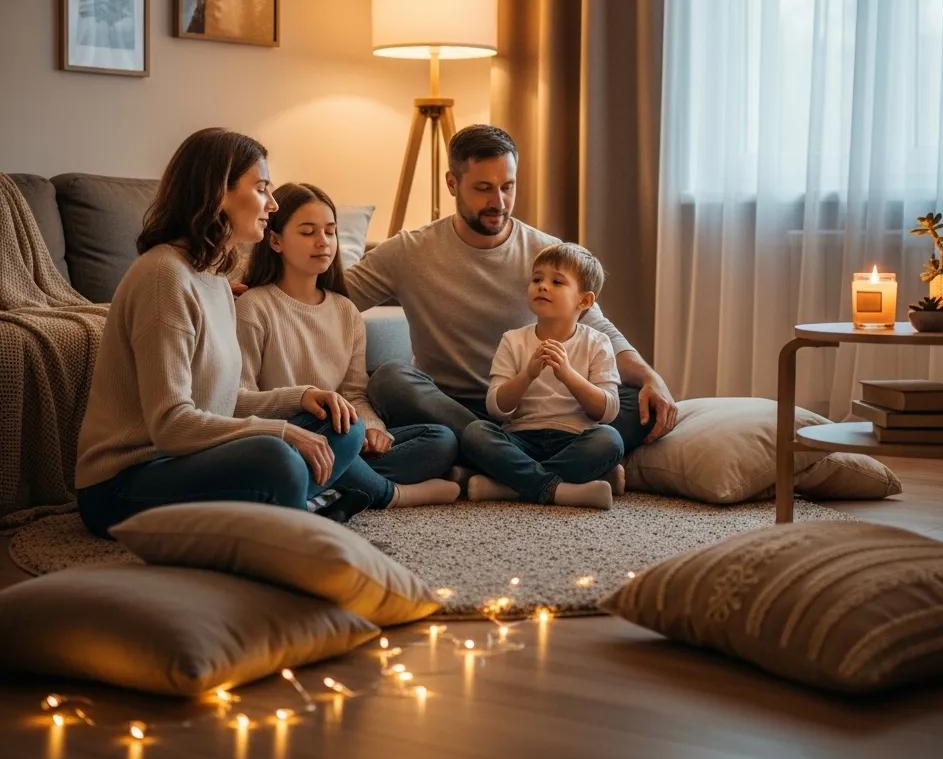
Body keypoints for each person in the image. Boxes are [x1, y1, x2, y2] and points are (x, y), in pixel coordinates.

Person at [76, 128, 368, 539]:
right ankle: (293, 507)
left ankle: (283, 507)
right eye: (262, 189)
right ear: (217, 193)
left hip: (188, 460)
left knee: (343, 424)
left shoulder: (214, 278)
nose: (273, 204)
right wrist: (281, 430)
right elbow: (171, 425)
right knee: (277, 458)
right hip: (125, 483)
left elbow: (221, 402)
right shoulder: (164, 276)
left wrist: (301, 397)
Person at [345, 124, 680, 455]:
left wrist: (649, 376)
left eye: (508, 187)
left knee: (639, 407)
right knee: (389, 380)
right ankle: (516, 453)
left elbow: (599, 327)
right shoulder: (408, 251)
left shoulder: (547, 253)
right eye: (483, 188)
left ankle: (493, 453)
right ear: (452, 183)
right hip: (450, 404)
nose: (499, 202)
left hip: (535, 406)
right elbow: (333, 297)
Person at [236, 182, 460, 510]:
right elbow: (239, 402)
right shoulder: (253, 307)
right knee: (330, 441)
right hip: (283, 438)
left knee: (441, 440)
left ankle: (329, 488)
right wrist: (306, 409)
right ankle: (388, 493)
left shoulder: (346, 311)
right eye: (308, 232)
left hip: (342, 436)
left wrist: (373, 428)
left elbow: (354, 392)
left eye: (330, 232)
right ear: (275, 241)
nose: (323, 242)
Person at [461, 242, 625, 510]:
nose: (543, 286)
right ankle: (561, 488)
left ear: (584, 301)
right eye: (537, 279)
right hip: (521, 439)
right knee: (475, 433)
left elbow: (607, 411)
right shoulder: (513, 340)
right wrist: (528, 374)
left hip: (573, 440)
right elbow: (496, 407)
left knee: (609, 440)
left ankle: (508, 487)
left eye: (557, 282)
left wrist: (568, 375)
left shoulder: (598, 343)